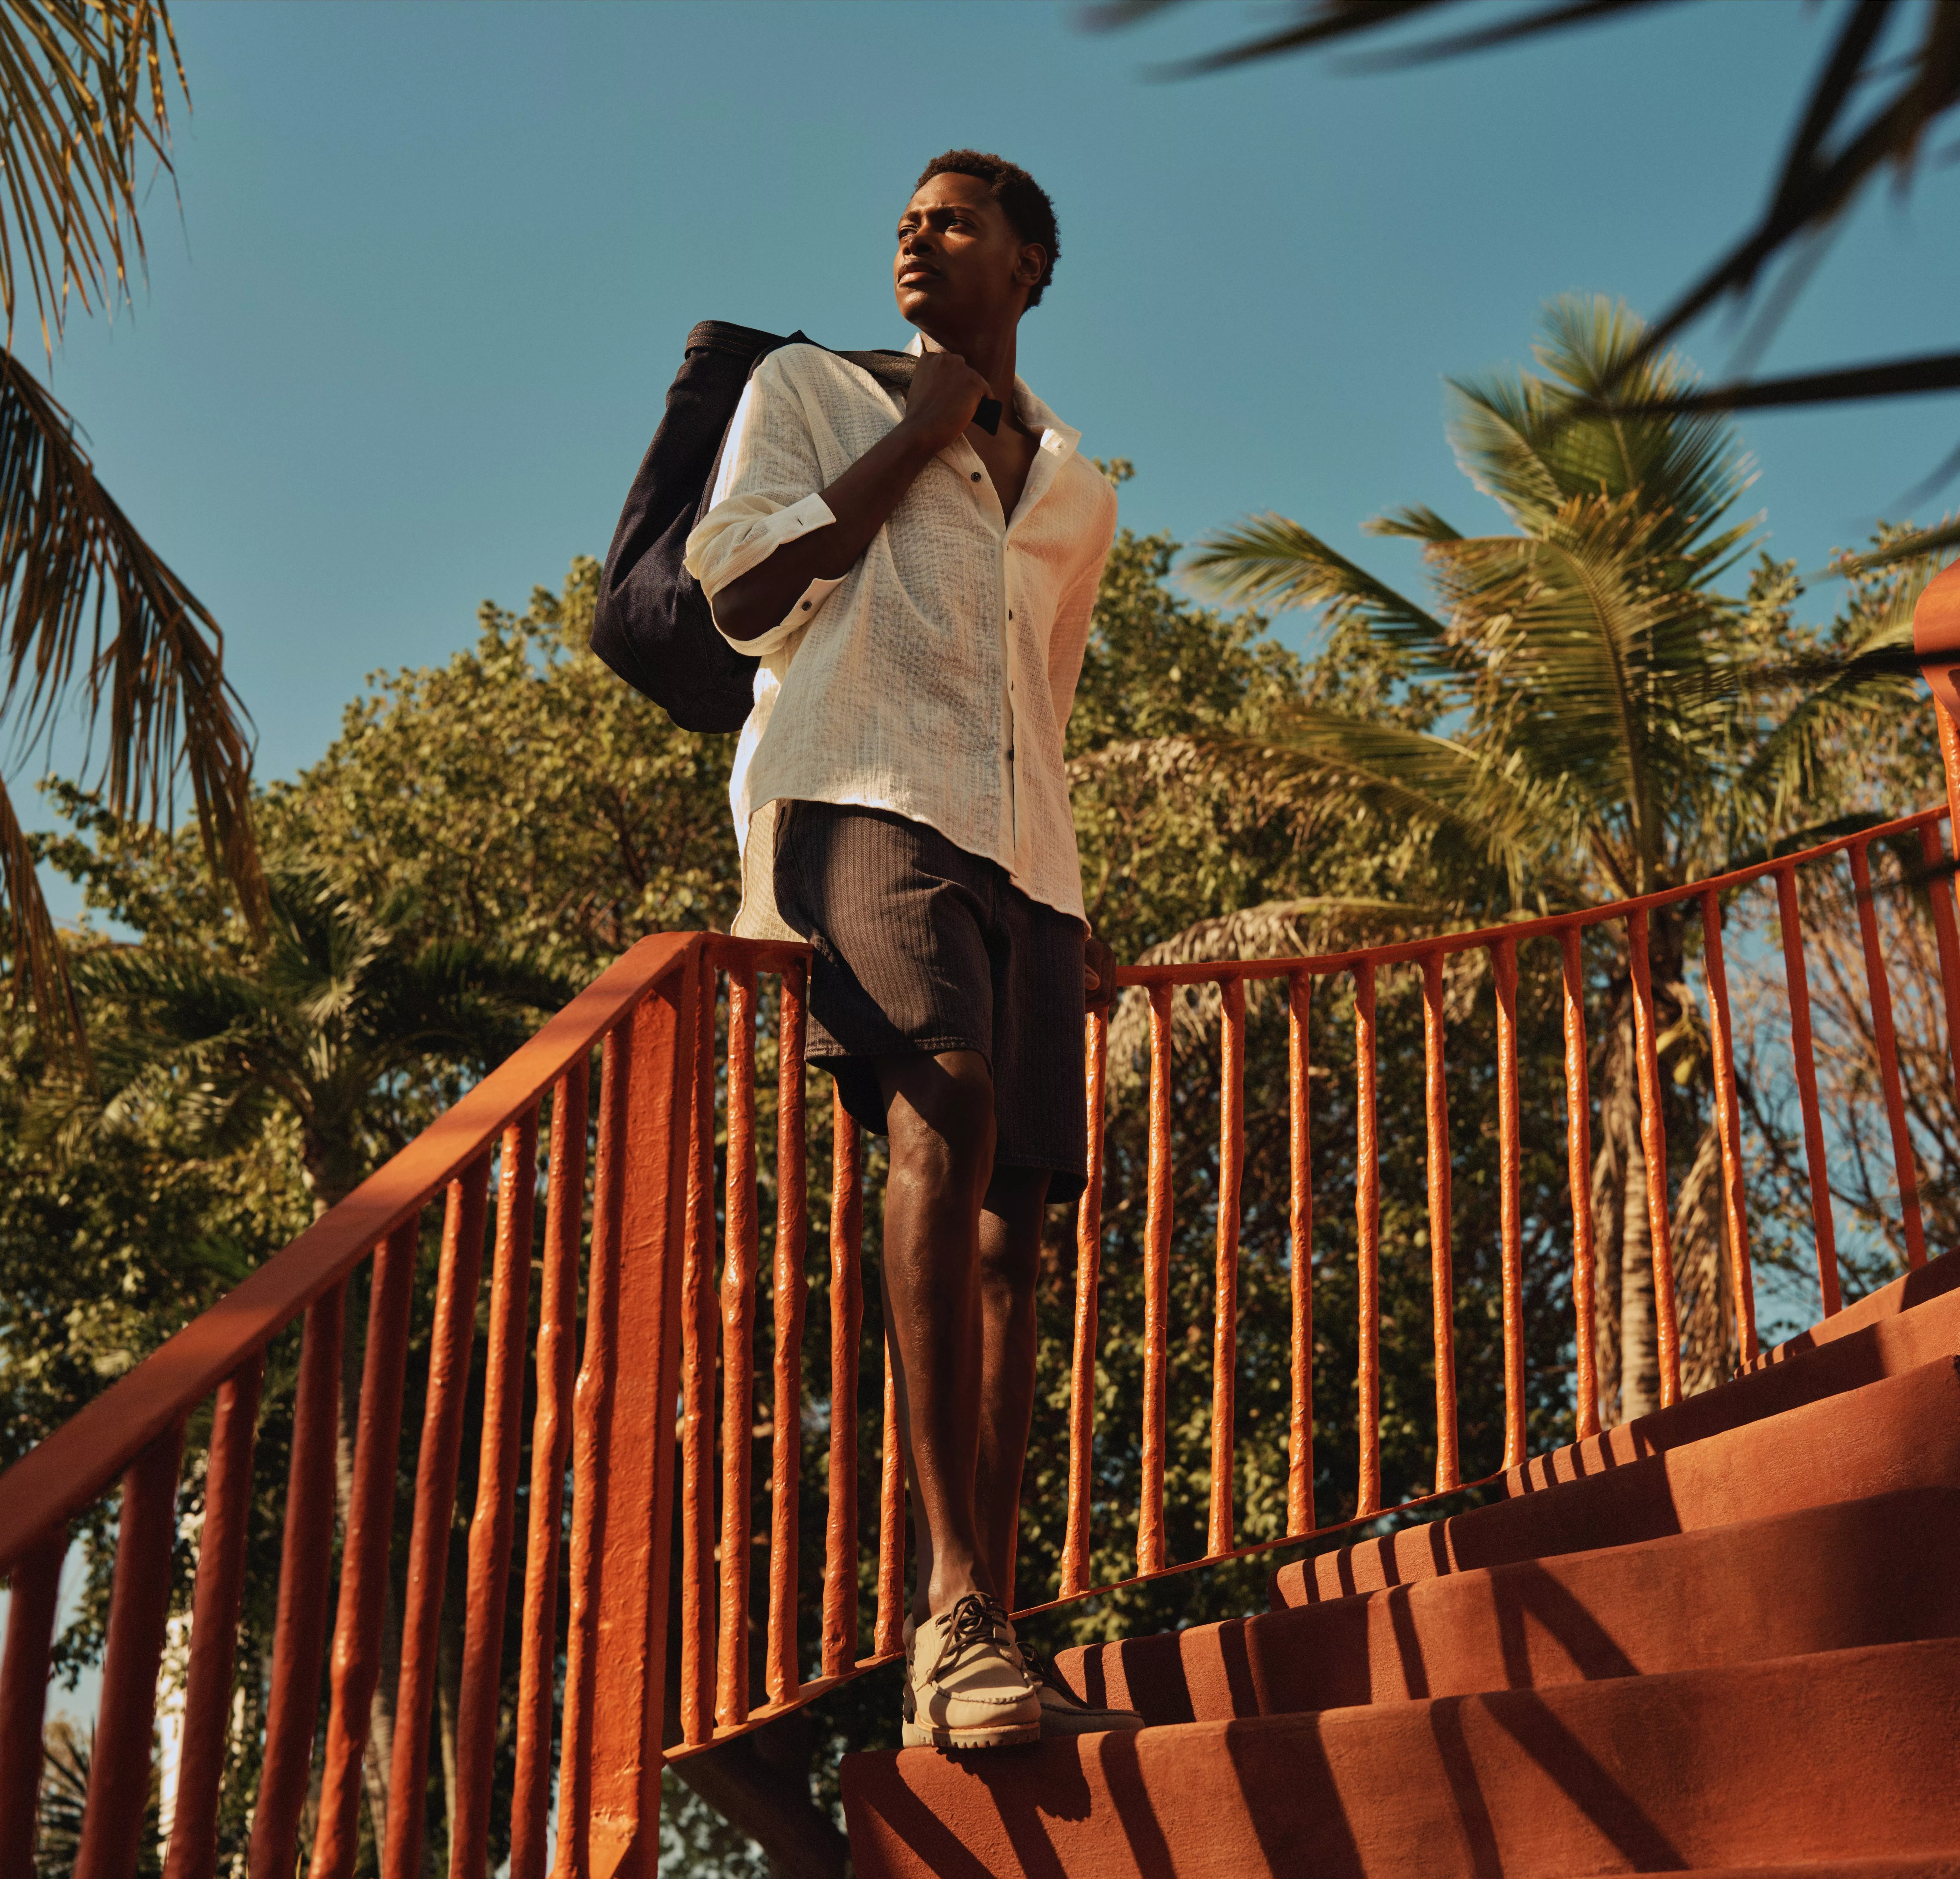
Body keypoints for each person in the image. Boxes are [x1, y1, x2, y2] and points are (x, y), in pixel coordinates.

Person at [684, 152, 1142, 1749]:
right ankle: (948, 1609)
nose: (912, 232)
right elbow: (736, 583)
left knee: (1020, 1221)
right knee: (936, 1117)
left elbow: (1047, 688)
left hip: (1031, 854)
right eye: (904, 216)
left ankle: (992, 1628)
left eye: (954, 219)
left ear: (1030, 261)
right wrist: (915, 432)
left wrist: (1078, 906)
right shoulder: (809, 388)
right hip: (863, 788)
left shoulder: (1077, 483)